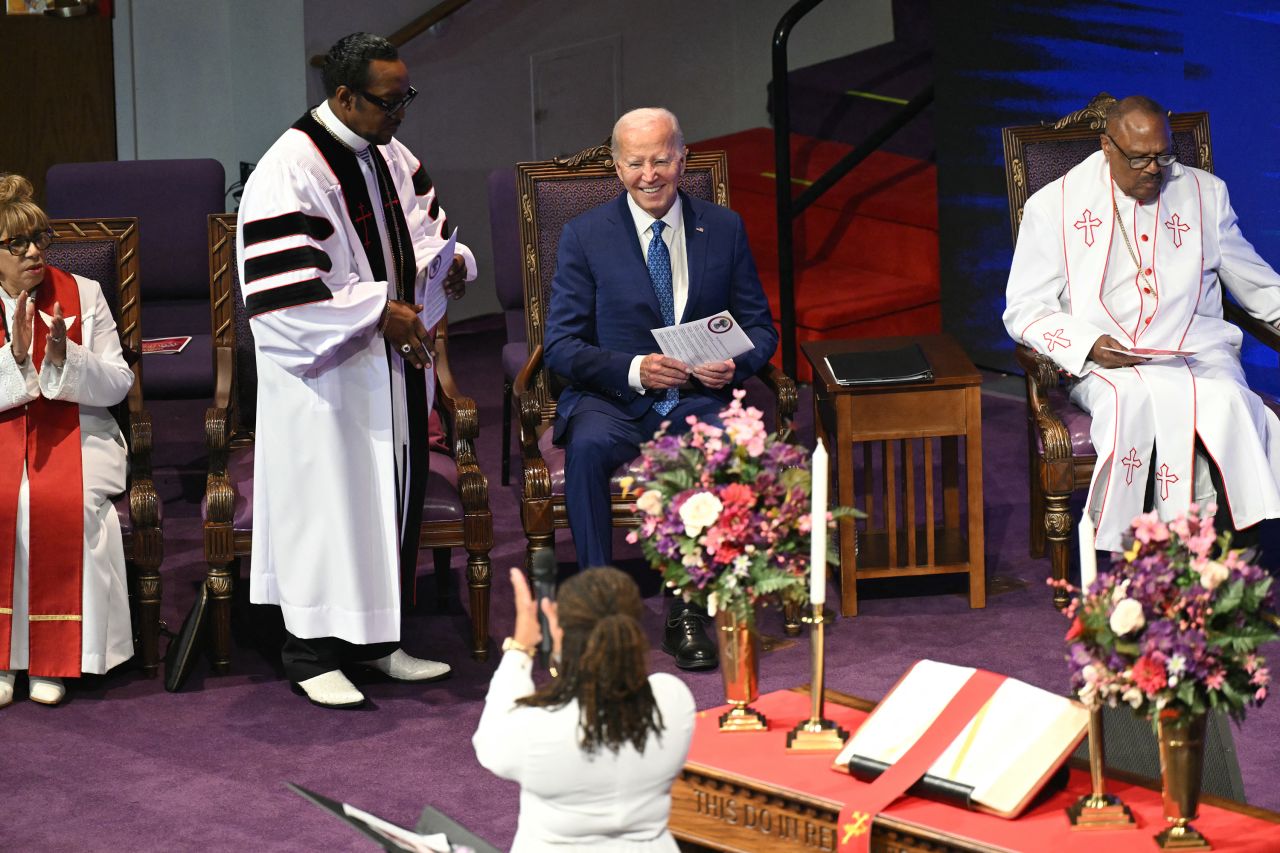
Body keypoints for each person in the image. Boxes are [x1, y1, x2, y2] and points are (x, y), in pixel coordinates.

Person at [237, 32, 476, 708]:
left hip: (393, 375)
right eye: (388, 102)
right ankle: (311, 653)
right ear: (344, 96)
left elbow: (425, 231)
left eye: (406, 99)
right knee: (332, 514)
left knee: (387, 508)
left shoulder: (389, 151)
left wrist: (449, 266)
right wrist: (379, 313)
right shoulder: (291, 170)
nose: (401, 116)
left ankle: (379, 642)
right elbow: (284, 302)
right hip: (327, 380)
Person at [542, 107, 777, 670]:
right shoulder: (585, 235)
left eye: (661, 160)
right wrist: (634, 369)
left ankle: (688, 613)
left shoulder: (722, 227)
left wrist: (735, 363)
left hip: (696, 397)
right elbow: (561, 345)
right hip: (613, 399)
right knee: (589, 447)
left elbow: (761, 328)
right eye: (635, 163)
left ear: (683, 158)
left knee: (713, 441)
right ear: (617, 167)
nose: (649, 175)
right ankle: (603, 615)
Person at [1004, 95, 1280, 551]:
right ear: (1106, 146)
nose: (1154, 169)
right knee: (1130, 404)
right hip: (1109, 366)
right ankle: (1147, 556)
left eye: (1163, 155)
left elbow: (1258, 286)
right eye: (1139, 158)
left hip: (1198, 354)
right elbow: (1024, 308)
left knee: (1228, 400)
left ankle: (1225, 551)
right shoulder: (1052, 206)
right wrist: (1089, 345)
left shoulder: (1205, 195)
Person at [0, 174, 135, 707]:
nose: (35, 252)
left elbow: (119, 382)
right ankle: (7, 658)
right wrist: (14, 362)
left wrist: (64, 359)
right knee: (8, 500)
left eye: (40, 239)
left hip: (79, 429)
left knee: (64, 502)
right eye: (18, 243)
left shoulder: (84, 293)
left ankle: (57, 657)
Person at [473, 567, 696, 852]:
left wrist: (520, 648)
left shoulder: (537, 728)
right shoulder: (672, 700)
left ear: (559, 631)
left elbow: (491, 742)